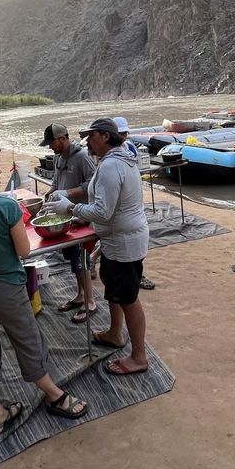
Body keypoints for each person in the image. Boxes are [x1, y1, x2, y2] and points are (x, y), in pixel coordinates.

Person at [0, 150, 89, 437]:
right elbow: (24, 251)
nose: (0, 171)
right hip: (5, 288)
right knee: (29, 342)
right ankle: (54, 396)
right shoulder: (6, 206)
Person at [46, 117, 150, 376]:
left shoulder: (112, 166)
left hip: (124, 242)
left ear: (105, 136)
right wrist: (77, 208)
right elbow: (106, 206)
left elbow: (104, 211)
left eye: (91, 136)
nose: (87, 141)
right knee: (115, 292)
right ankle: (116, 334)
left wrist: (69, 207)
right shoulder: (117, 160)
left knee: (129, 298)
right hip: (117, 238)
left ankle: (139, 356)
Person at [38, 123, 97, 322]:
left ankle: (90, 301)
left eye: (52, 143)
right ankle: (80, 295)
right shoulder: (58, 157)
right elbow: (56, 180)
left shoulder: (82, 157)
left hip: (81, 214)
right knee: (73, 257)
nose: (50, 148)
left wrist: (68, 193)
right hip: (65, 217)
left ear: (63, 138)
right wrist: (49, 193)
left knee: (82, 258)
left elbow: (92, 184)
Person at [113, 117, 157, 292]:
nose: (123, 136)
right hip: (117, 200)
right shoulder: (105, 155)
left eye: (125, 133)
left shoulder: (130, 148)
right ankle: (93, 261)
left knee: (133, 240)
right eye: (120, 133)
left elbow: (135, 169)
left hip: (131, 198)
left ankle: (138, 275)